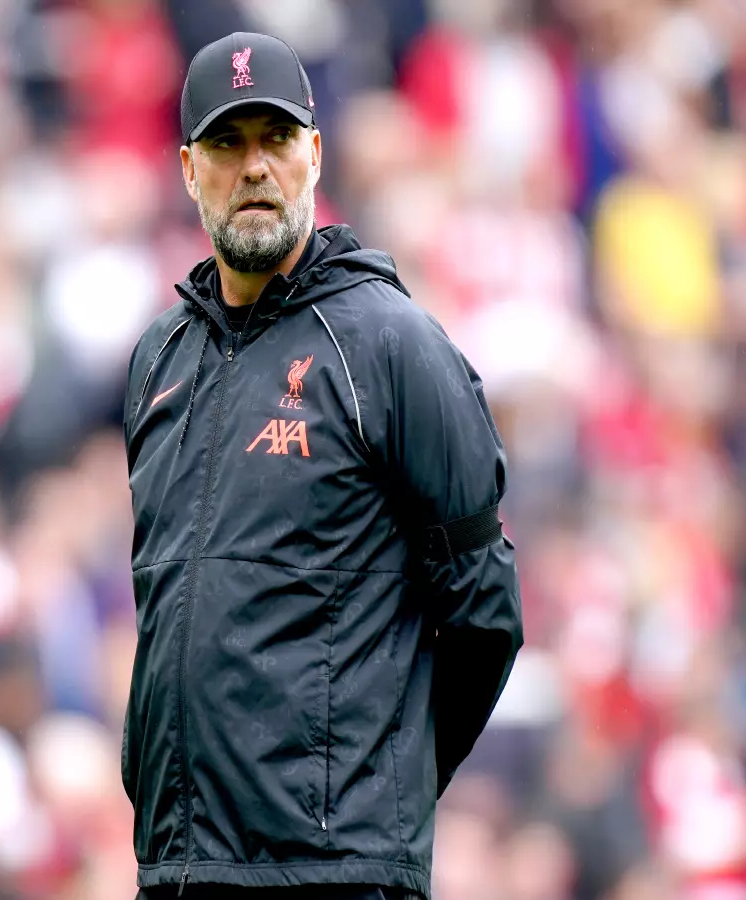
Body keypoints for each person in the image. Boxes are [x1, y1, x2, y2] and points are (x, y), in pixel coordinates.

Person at [121, 31, 524, 900]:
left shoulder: (389, 344)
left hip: (336, 876)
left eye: (275, 138)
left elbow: (485, 614)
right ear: (189, 170)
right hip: (179, 867)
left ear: (314, 153)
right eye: (227, 143)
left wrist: (369, 792)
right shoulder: (158, 363)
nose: (254, 167)